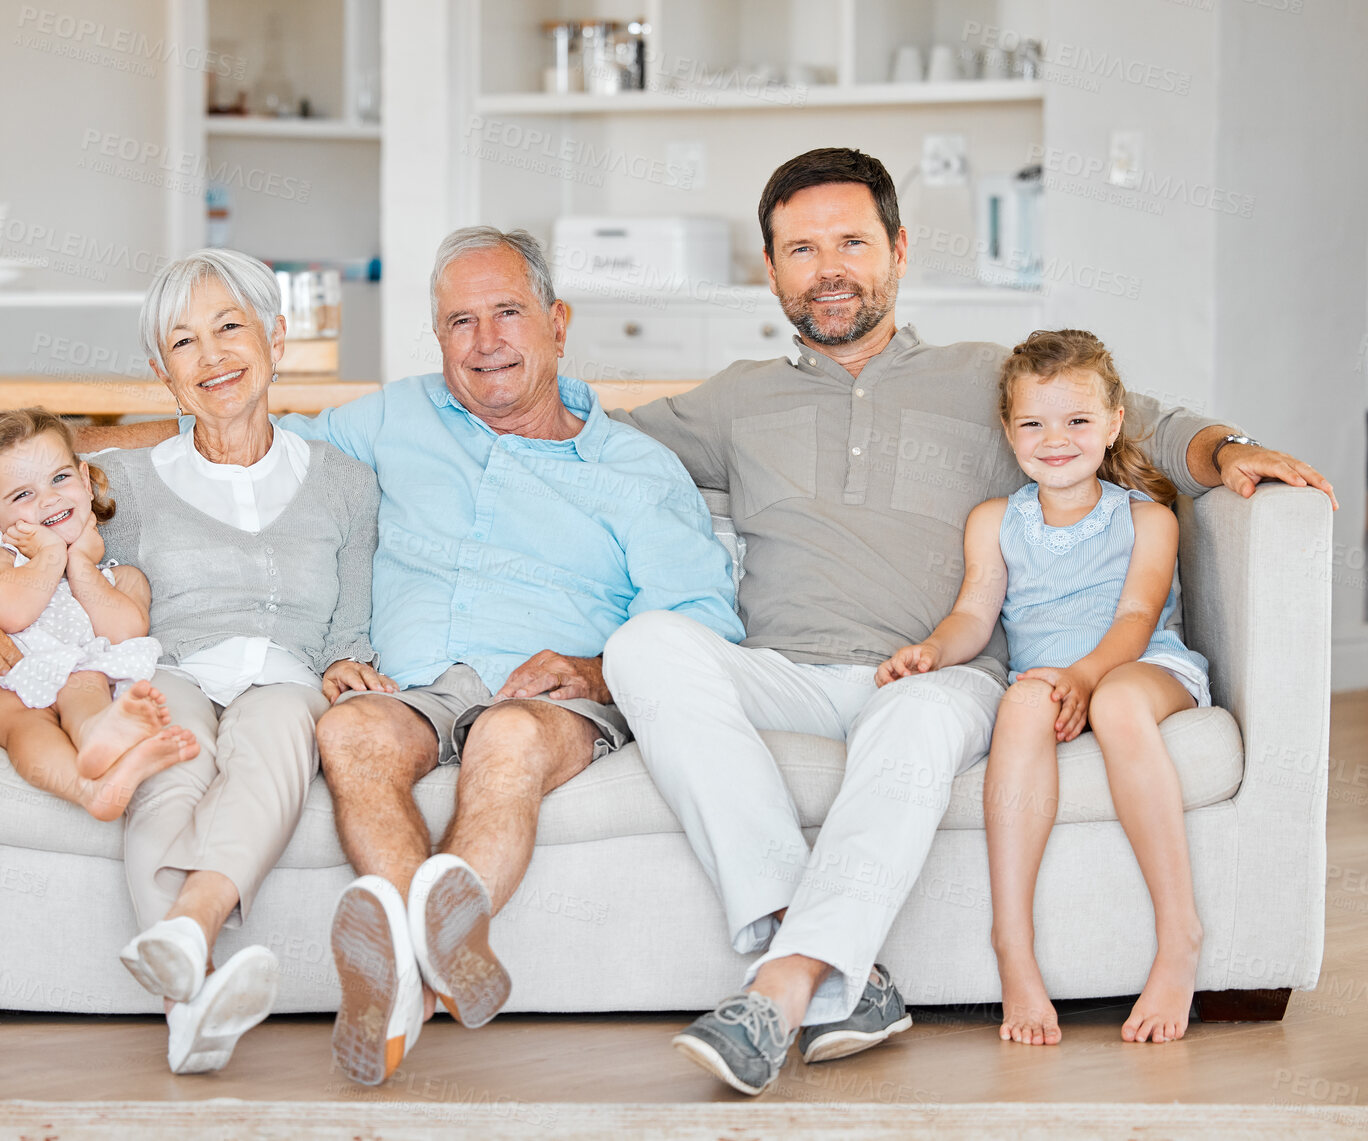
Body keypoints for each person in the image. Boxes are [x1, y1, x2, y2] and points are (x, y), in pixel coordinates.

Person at [601, 147, 1336, 1096]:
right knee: (643, 646)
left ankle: (781, 988)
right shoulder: (734, 399)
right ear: (772, 268)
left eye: (852, 242)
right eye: (801, 249)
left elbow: (1141, 421)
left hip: (941, 674)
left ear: (900, 251)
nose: (828, 267)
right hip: (781, 668)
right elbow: (594, 444)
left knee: (912, 718)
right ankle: (832, 961)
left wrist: (1232, 450)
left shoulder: (984, 379)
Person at [77, 227, 743, 1086]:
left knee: (505, 739)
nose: (486, 341)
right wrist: (54, 463)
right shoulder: (393, 419)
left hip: (552, 695)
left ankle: (402, 984)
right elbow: (242, 432)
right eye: (460, 322)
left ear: (557, 320)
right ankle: (433, 967)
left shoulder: (636, 470)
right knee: (350, 732)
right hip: (417, 685)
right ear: (437, 338)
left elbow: (703, 623)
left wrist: (594, 669)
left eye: (507, 313)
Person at [0, 249, 382, 1075]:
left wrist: (346, 664)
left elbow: (350, 622)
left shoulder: (347, 484)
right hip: (168, 661)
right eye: (183, 343)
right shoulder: (127, 482)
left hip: (286, 675)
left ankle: (188, 931)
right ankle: (193, 1006)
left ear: (275, 337)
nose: (210, 357)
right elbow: (12, 517)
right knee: (167, 770)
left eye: (228, 328)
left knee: (278, 737)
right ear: (161, 371)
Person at [876, 329, 1211, 1046]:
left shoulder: (1146, 519)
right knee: (1020, 700)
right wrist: (931, 650)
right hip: (1048, 680)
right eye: (1033, 423)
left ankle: (1179, 933)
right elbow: (973, 614)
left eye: (1077, 421)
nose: (1054, 439)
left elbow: (1134, 617)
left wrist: (1087, 678)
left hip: (1139, 667)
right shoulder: (996, 521)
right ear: (1009, 430)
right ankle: (1014, 949)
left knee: (1119, 699)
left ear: (1114, 422)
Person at [0, 408, 198, 822]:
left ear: (86, 482)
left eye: (59, 478)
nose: (48, 498)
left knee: (87, 682)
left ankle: (97, 739)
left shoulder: (121, 577)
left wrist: (82, 564)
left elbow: (124, 633)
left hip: (78, 680)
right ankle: (89, 789)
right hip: (3, 685)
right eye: (22, 495)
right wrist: (51, 553)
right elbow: (12, 613)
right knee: (23, 727)